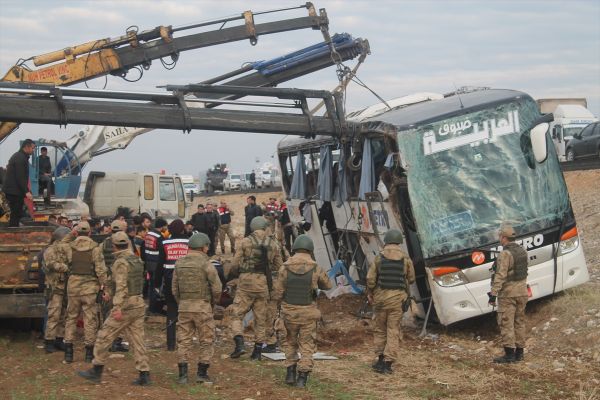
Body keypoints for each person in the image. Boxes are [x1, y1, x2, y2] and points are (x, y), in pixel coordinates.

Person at [78, 231, 151, 386]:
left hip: (125, 306)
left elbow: (123, 286)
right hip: (138, 303)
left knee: (104, 336)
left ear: (113, 246)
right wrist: (109, 292)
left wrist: (117, 306)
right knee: (138, 340)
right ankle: (144, 374)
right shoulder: (136, 259)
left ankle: (96, 370)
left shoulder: (121, 262)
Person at [272, 234, 332, 388]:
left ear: (295, 248)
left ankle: (290, 373)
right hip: (308, 313)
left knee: (290, 342)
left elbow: (277, 293)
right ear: (310, 249)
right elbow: (327, 285)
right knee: (306, 345)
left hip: (289, 312)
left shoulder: (284, 267)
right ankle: (302, 378)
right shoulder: (316, 267)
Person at [228, 216, 283, 361]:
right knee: (260, 319)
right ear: (265, 227)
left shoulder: (245, 242)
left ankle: (239, 343)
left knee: (237, 315)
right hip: (263, 284)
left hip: (246, 282)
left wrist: (237, 273)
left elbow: (234, 264)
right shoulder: (273, 244)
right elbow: (280, 267)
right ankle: (257, 352)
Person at [172, 232, 222, 384]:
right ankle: (202, 373)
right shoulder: (206, 264)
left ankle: (182, 375)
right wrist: (213, 303)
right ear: (204, 247)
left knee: (183, 340)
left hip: (184, 307)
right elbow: (217, 288)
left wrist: (182, 302)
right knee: (206, 339)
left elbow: (174, 288)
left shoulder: (179, 262)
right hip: (202, 307)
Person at [366, 229, 415, 374]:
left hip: (380, 300)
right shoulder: (405, 258)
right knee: (393, 330)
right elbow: (411, 279)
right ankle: (387, 365)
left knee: (380, 329)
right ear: (399, 241)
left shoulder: (379, 258)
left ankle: (380, 360)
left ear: (386, 241)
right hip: (397, 301)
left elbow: (370, 279)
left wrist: (370, 293)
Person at [61, 221, 108, 364]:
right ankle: (89, 353)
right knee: (90, 319)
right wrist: (103, 286)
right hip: (90, 288)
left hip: (73, 287)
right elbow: (100, 270)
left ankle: (68, 352)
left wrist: (71, 233)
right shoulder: (95, 248)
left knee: (71, 318)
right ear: (89, 232)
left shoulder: (69, 247)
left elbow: (61, 244)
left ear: (77, 232)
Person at [488, 223, 529, 363]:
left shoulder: (505, 254)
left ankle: (509, 355)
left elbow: (500, 275)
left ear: (503, 238)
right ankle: (520, 353)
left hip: (508, 294)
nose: (499, 238)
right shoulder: (522, 250)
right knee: (519, 322)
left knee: (506, 323)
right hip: (522, 292)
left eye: (500, 236)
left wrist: (493, 294)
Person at [156, 219, 189, 351]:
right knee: (186, 312)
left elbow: (159, 265)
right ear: (182, 229)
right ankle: (185, 342)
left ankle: (170, 344)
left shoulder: (165, 242)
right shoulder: (189, 242)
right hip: (186, 281)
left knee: (171, 310)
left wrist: (157, 283)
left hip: (170, 281)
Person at [101, 219, 129, 353]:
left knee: (107, 312)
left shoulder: (103, 243)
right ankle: (115, 341)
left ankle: (107, 340)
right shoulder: (126, 243)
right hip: (120, 281)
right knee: (119, 312)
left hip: (108, 281)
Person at [42, 226, 71, 353]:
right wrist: (67, 267)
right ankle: (49, 341)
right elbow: (50, 264)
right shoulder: (50, 250)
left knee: (64, 315)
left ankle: (59, 340)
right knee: (54, 315)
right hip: (54, 288)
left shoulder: (67, 249)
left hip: (66, 287)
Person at [3, 139, 35, 226]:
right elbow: (20, 177)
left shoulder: (21, 156)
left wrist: (27, 190)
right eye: (32, 148)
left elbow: (23, 178)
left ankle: (14, 229)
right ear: (27, 147)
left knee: (17, 213)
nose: (33, 150)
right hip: (13, 192)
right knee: (15, 214)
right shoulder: (20, 158)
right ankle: (13, 232)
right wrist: (26, 191)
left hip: (15, 191)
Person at [141, 218, 167, 314]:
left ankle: (151, 306)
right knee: (157, 286)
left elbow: (144, 249)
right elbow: (163, 252)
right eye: (165, 226)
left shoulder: (149, 234)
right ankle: (155, 308)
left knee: (151, 285)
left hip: (148, 263)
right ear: (162, 226)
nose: (166, 228)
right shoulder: (159, 237)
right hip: (156, 264)